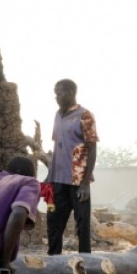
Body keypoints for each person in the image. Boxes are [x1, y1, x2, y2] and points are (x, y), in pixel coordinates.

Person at [41, 78, 98, 255]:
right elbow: (57, 147)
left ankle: (86, 263)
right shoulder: (58, 115)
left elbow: (92, 148)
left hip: (78, 180)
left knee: (82, 224)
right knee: (53, 222)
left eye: (59, 93)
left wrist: (85, 183)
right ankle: (54, 262)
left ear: (71, 93)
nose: (56, 97)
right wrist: (49, 177)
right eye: (55, 94)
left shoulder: (84, 115)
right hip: (58, 180)